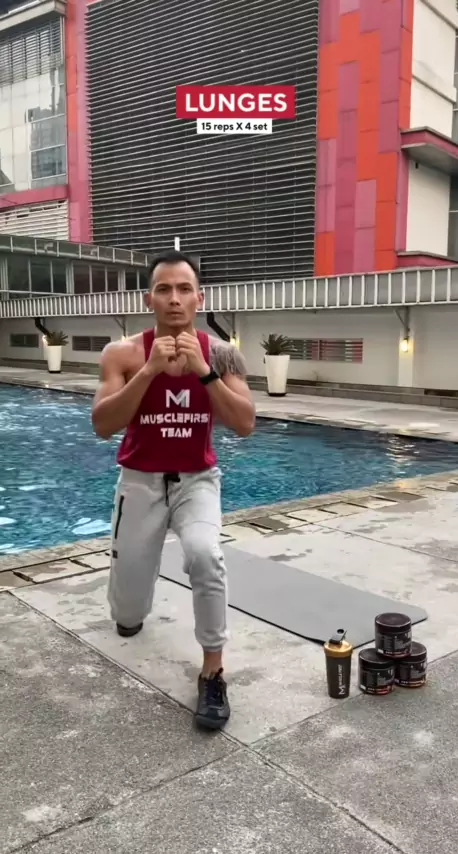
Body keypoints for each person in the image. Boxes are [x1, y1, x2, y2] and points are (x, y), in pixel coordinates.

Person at [91, 250, 255, 729]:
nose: (175, 298)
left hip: (195, 481)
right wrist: (148, 371)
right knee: (127, 610)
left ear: (199, 298)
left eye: (184, 289)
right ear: (150, 299)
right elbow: (102, 424)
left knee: (206, 555)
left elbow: (245, 423)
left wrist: (204, 371)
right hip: (139, 481)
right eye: (164, 289)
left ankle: (213, 671)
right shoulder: (122, 354)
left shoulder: (222, 354)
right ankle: (130, 609)